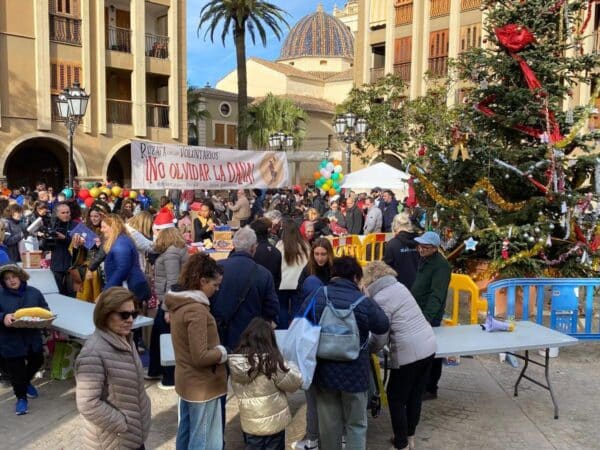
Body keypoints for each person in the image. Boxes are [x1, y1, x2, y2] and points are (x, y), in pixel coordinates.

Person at [298, 256, 389, 450]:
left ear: (334, 275)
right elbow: (383, 324)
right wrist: (367, 296)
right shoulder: (363, 301)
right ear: (356, 277)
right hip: (355, 374)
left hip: (324, 372)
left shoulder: (318, 295)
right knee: (356, 424)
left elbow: (301, 322)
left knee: (329, 425)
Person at [363, 261, 436, 450]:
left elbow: (380, 334)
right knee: (414, 396)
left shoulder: (380, 298)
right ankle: (409, 437)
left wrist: (367, 349)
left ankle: (401, 444)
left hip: (409, 353)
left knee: (396, 398)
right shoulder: (399, 286)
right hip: (428, 347)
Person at [164, 253, 228, 450]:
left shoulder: (180, 305)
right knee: (204, 439)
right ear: (202, 281)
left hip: (187, 381)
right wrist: (221, 352)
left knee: (186, 431)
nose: (216, 290)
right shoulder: (196, 310)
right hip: (202, 386)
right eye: (215, 285)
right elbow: (200, 356)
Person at [75, 287, 151, 449]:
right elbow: (87, 403)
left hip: (132, 436)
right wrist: (122, 424)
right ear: (105, 314)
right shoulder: (92, 353)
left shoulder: (125, 339)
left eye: (134, 314)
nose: (130, 319)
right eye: (124, 315)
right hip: (114, 441)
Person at [229, 318, 303, 450]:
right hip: (274, 425)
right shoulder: (272, 362)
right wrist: (290, 364)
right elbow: (294, 383)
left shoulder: (237, 363)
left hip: (250, 425)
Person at [211, 226, 279, 351]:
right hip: (252, 338)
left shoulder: (217, 268)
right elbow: (272, 308)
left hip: (220, 336)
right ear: (254, 247)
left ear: (234, 245)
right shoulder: (264, 274)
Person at [0, 265, 49, 415]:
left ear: (20, 276)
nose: (11, 281)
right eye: (7, 279)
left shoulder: (34, 292)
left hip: (31, 338)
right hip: (10, 340)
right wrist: (3, 317)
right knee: (17, 372)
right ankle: (21, 399)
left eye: (13, 277)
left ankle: (25, 382)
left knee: (38, 360)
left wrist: (44, 320)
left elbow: (46, 309)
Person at [146, 226, 189, 389]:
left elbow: (172, 282)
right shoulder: (178, 250)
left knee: (165, 338)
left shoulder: (171, 253)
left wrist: (168, 308)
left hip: (169, 303)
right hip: (168, 301)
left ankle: (169, 377)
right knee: (159, 336)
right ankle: (155, 370)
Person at [411, 231, 451, 400]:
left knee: (431, 353)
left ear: (434, 248)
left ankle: (430, 387)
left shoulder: (441, 266)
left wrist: (427, 317)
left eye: (425, 247)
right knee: (422, 351)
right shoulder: (425, 260)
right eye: (419, 246)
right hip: (418, 312)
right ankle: (421, 384)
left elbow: (437, 294)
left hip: (429, 316)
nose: (421, 249)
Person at [100, 214, 151, 303]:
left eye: (104, 227)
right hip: (126, 286)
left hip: (127, 288)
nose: (101, 230)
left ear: (113, 227)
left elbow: (122, 269)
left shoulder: (121, 244)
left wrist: (106, 290)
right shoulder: (121, 240)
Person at [275, 220, 310, 329]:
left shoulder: (280, 245)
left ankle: (283, 332)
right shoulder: (305, 245)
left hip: (283, 283)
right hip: (298, 283)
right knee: (297, 309)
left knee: (282, 309)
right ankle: (295, 332)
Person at [70, 205, 105, 302]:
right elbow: (74, 251)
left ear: (102, 216)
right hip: (86, 268)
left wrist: (100, 244)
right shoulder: (85, 229)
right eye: (91, 216)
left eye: (96, 216)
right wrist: (77, 245)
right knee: (85, 297)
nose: (93, 219)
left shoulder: (106, 229)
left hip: (101, 268)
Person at [383, 213, 421, 289]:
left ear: (395, 226)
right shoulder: (420, 242)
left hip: (399, 289)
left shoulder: (392, 244)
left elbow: (386, 269)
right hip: (419, 287)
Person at [47, 202, 76, 296]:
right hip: (57, 264)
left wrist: (65, 238)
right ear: (57, 214)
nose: (66, 215)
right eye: (63, 213)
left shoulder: (75, 225)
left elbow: (81, 243)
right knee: (57, 292)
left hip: (72, 265)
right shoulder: (52, 226)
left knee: (72, 293)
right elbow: (46, 246)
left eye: (68, 212)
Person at [250, 218, 282, 290]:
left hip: (254, 289)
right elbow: (278, 277)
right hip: (270, 289)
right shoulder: (276, 252)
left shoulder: (251, 251)